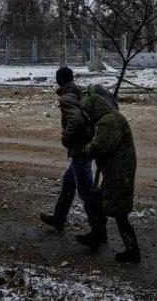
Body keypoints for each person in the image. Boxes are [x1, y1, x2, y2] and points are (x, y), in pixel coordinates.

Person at [40, 67, 107, 242]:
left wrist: (66, 138)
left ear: (58, 80)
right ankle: (59, 219)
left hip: (80, 150)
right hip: (86, 146)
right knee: (69, 183)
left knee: (86, 191)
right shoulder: (78, 92)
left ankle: (98, 231)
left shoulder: (67, 97)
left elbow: (75, 119)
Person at [76, 86, 140, 263]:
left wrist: (87, 147)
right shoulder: (110, 117)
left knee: (119, 212)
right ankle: (97, 236)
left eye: (87, 112)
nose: (87, 116)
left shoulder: (108, 122)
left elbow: (99, 147)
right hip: (118, 170)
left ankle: (132, 251)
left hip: (118, 172)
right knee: (100, 202)